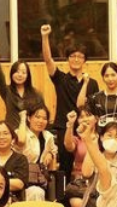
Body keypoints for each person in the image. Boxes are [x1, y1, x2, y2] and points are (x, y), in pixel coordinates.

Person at [40, 23, 99, 177]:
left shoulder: (92, 83)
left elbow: (89, 108)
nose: (76, 59)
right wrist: (45, 37)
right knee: (65, 166)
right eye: (72, 56)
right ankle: (64, 192)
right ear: (67, 59)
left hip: (85, 128)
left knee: (87, 164)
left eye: (80, 56)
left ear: (85, 60)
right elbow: (48, 59)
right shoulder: (61, 78)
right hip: (64, 127)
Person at [0, 38, 43, 131]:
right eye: (17, 71)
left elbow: (42, 115)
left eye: (23, 72)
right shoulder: (7, 91)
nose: (20, 75)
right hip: (12, 133)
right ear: (12, 73)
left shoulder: (36, 94)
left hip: (30, 134)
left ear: (28, 76)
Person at [84, 61, 117, 143]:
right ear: (103, 78)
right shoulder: (96, 97)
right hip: (101, 142)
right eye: (107, 76)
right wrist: (85, 83)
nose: (110, 79)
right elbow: (80, 106)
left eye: (113, 75)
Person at [15, 105, 57, 201]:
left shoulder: (48, 136)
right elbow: (20, 141)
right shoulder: (21, 133)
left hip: (40, 180)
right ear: (29, 118)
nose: (41, 121)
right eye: (37, 117)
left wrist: (50, 154)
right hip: (21, 177)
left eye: (44, 118)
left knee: (38, 192)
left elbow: (54, 150)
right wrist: (22, 118)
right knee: (36, 193)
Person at [0, 120, 29, 195]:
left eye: (5, 133)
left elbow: (19, 184)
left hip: (12, 198)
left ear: (13, 138)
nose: (1, 137)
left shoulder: (21, 159)